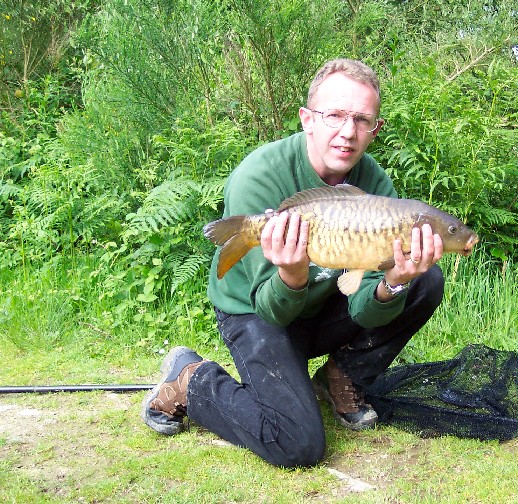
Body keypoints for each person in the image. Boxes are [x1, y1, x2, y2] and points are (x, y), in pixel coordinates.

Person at [141, 58, 445, 468]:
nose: (348, 131)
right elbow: (271, 309)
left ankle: (341, 379)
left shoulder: (375, 185)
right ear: (307, 119)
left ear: (375, 128)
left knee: (424, 281)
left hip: (322, 304)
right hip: (258, 311)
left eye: (362, 119)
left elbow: (362, 307)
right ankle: (190, 381)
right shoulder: (259, 177)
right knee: (297, 444)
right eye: (334, 115)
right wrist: (292, 272)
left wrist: (393, 281)